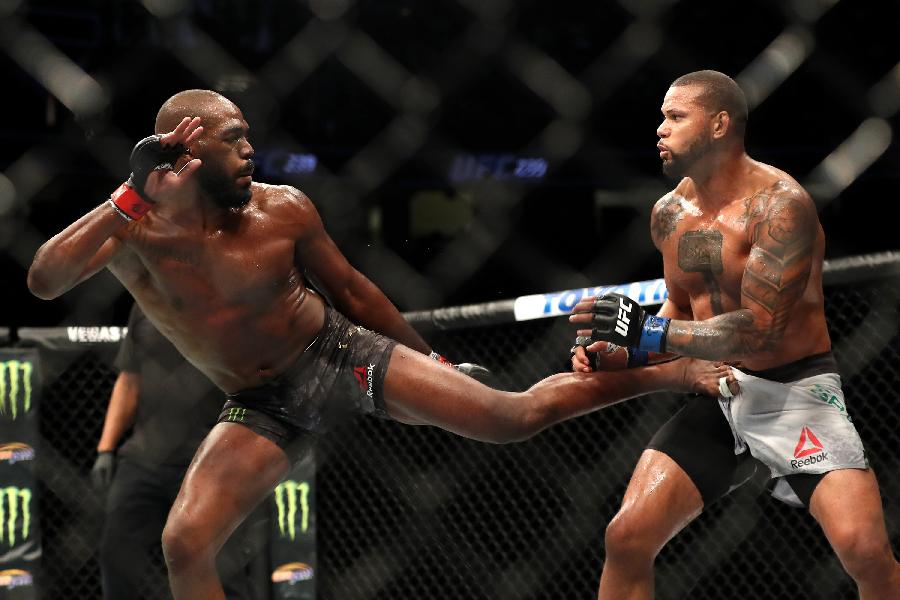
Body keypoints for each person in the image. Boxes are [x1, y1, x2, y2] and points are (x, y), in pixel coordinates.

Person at [27, 89, 736, 600]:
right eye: (233, 138)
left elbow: (357, 293)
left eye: (249, 137)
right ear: (185, 146)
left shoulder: (282, 208)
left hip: (338, 356)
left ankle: (672, 372)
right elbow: (45, 280)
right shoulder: (135, 230)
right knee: (184, 544)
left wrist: (430, 360)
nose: (250, 150)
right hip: (259, 402)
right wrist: (130, 191)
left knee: (509, 416)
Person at [570, 70, 900, 599]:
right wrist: (618, 349)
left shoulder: (780, 207)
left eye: (675, 116)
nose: (659, 129)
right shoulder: (671, 214)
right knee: (627, 537)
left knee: (866, 552)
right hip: (719, 388)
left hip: (796, 390)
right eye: (662, 117)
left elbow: (760, 333)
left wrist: (648, 332)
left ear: (719, 124)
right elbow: (680, 308)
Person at [92, 302, 267, 599]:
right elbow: (129, 379)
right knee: (116, 555)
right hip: (143, 457)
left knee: (222, 566)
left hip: (210, 460)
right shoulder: (143, 304)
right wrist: (105, 448)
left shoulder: (225, 303)